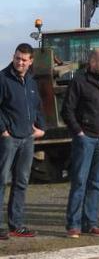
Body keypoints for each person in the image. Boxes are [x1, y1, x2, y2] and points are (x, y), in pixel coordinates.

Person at [61, 48, 99, 238]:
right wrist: (79, 132)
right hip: (85, 140)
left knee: (96, 183)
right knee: (79, 181)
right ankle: (73, 225)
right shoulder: (79, 81)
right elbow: (67, 110)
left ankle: (90, 223)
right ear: (92, 62)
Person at [0, 43, 45, 239]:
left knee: (21, 182)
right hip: (8, 140)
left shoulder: (31, 82)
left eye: (24, 60)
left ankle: (15, 225)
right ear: (14, 56)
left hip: (27, 139)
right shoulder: (2, 78)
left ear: (30, 61)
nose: (19, 62)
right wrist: (3, 130)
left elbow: (37, 106)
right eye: (17, 58)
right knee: (1, 180)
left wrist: (41, 127)